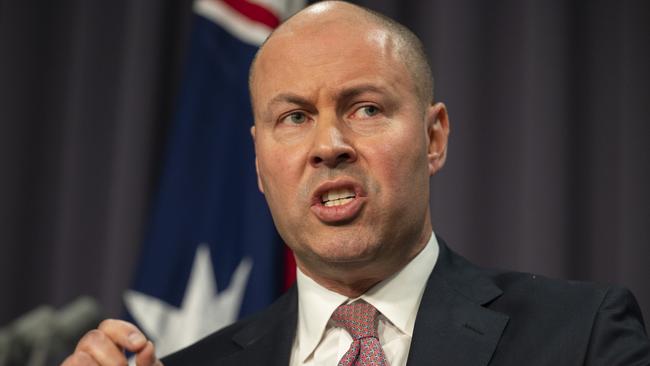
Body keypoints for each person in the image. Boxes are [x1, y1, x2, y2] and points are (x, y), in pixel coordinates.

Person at [62, 1, 650, 365]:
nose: (327, 145)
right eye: (293, 118)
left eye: (365, 108)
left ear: (433, 137)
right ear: (259, 164)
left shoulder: (581, 337)